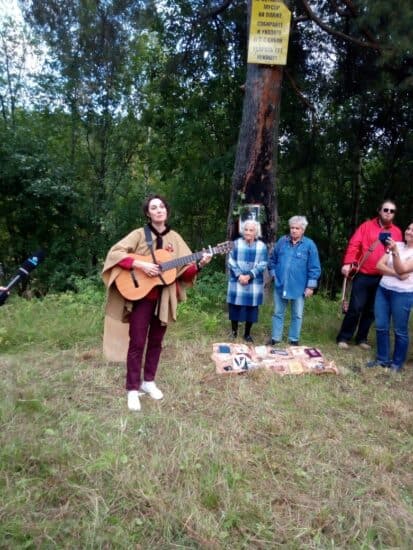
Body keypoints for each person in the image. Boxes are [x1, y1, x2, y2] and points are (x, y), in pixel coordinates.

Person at [102, 194, 211, 412]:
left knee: (156, 341)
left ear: (166, 211)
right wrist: (140, 266)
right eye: (154, 207)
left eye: (162, 206)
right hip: (141, 297)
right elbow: (116, 254)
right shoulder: (138, 234)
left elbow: (184, 271)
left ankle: (148, 381)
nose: (159, 210)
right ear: (148, 213)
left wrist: (200, 264)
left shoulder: (176, 239)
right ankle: (132, 388)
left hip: (164, 298)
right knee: (137, 341)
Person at [336, 200, 402, 350]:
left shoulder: (397, 232)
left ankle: (362, 339)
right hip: (364, 274)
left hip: (384, 277)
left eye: (392, 211)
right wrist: (348, 262)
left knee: (372, 309)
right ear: (379, 210)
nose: (388, 213)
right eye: (386, 210)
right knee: (355, 307)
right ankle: (344, 337)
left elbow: (399, 253)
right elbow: (354, 244)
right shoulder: (366, 226)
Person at [268, 215, 321, 345]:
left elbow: (314, 267)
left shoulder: (309, 245)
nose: (293, 230)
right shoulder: (282, 241)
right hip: (281, 284)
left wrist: (310, 286)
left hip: (299, 287)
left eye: (297, 228)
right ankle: (275, 338)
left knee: (297, 315)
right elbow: (272, 260)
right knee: (277, 313)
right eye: (292, 228)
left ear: (303, 230)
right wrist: (273, 274)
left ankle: (293, 340)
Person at [367, 224, 413, 371]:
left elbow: (404, 269)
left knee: (400, 330)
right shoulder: (397, 244)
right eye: (408, 228)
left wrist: (394, 253)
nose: (409, 231)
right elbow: (379, 265)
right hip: (383, 290)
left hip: (403, 294)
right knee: (381, 326)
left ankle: (397, 364)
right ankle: (382, 359)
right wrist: (397, 274)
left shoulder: (397, 248)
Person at [227, 220, 268, 342]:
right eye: (246, 230)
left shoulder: (262, 246)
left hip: (253, 282)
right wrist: (239, 275)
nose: (248, 232)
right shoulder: (235, 243)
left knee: (251, 308)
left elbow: (263, 263)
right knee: (234, 307)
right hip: (237, 280)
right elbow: (230, 261)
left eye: (251, 230)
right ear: (242, 231)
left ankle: (247, 334)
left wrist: (250, 275)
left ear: (256, 232)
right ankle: (234, 332)